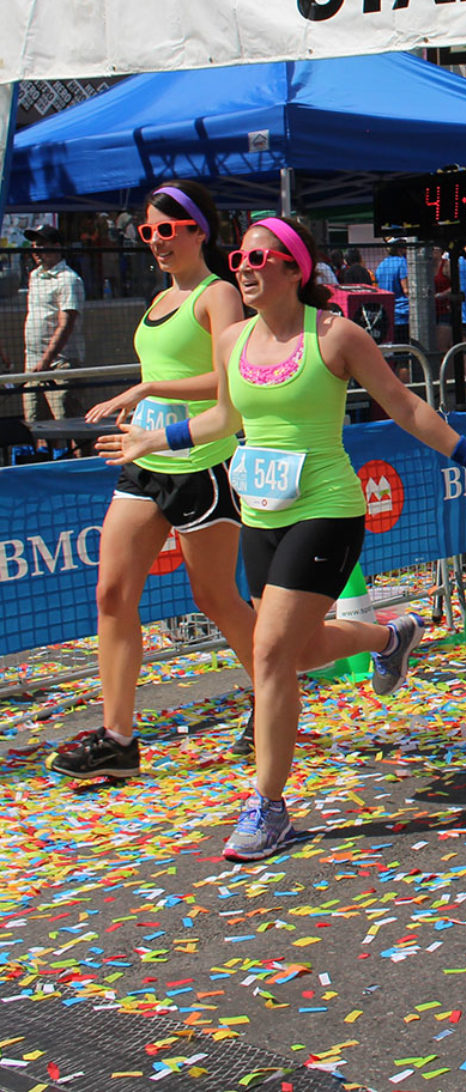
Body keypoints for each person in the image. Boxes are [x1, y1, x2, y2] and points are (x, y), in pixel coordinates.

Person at [99, 216, 466, 861]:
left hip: (326, 508)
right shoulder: (231, 340)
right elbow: (224, 417)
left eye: (260, 258)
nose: (245, 268)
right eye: (240, 258)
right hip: (260, 511)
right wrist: (158, 438)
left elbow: (405, 407)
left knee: (268, 656)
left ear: (295, 268)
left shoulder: (335, 336)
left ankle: (268, 806)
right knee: (299, 650)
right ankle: (388, 635)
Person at [46, 182, 258, 780]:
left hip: (200, 465)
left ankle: (273, 697)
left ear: (199, 231)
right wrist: (140, 408)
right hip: (144, 464)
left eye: (168, 229)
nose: (157, 241)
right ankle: (117, 738)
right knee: (112, 595)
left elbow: (227, 387)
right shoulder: (160, 298)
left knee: (214, 598)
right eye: (148, 231)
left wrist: (146, 389)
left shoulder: (218, 296)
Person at [22, 225, 84, 441]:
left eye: (42, 245)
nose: (36, 250)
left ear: (57, 247)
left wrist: (47, 360)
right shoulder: (34, 276)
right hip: (32, 364)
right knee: (33, 424)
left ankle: (78, 468)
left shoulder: (69, 279)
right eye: (34, 246)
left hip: (60, 364)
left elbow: (66, 324)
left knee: (69, 424)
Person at [373, 241, 410, 346]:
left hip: (388, 311)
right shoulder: (402, 263)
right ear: (400, 249)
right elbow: (406, 289)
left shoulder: (382, 265)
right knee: (405, 347)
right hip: (403, 312)